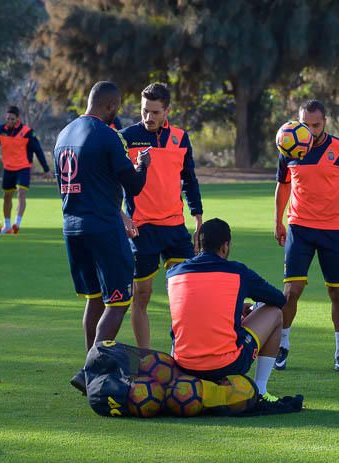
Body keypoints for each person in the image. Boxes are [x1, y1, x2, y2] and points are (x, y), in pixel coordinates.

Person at [52, 81, 150, 394]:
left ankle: (89, 368)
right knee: (119, 301)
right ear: (110, 106)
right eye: (116, 108)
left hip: (72, 228)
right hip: (103, 229)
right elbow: (133, 185)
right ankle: (89, 370)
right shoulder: (108, 135)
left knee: (95, 299)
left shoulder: (63, 135)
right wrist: (142, 165)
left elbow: (88, 182)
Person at [274, 100, 339, 372]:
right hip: (299, 228)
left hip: (334, 229)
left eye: (316, 125)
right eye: (306, 124)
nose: (311, 130)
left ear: (325, 121)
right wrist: (278, 221)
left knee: (337, 292)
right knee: (292, 290)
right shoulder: (288, 146)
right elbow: (282, 187)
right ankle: (282, 345)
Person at [120, 82, 203, 349]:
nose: (149, 117)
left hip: (175, 229)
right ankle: (144, 359)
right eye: (145, 111)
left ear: (167, 110)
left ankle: (179, 352)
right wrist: (121, 215)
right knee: (141, 296)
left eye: (155, 112)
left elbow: (189, 179)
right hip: (141, 229)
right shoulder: (126, 137)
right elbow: (110, 181)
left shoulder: (180, 138)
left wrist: (198, 215)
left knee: (187, 294)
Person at [166, 218, 284, 401]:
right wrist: (251, 307)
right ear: (225, 246)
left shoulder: (174, 273)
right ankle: (260, 390)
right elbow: (278, 299)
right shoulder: (238, 272)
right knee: (275, 313)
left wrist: (236, 307)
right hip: (226, 366)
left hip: (183, 366)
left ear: (198, 243)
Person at [0, 106, 53, 234]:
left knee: (21, 193)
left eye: (12, 119)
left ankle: (17, 223)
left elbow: (38, 151)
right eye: (7, 118)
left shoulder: (27, 132)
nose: (9, 121)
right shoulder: (1, 130)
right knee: (7, 196)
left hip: (23, 168)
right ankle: (7, 225)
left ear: (18, 119)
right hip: (8, 169)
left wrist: (46, 169)